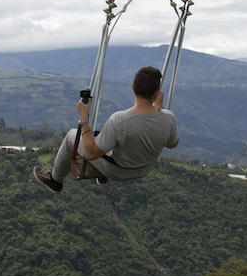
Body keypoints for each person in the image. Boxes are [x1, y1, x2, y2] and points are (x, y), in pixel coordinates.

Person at [33, 66, 179, 193]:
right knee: (104, 136)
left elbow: (90, 154)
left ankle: (54, 180)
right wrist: (160, 107)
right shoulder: (169, 118)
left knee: (73, 135)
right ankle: (101, 174)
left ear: (133, 87)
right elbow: (171, 143)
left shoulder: (120, 120)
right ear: (156, 94)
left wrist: (84, 116)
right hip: (145, 169)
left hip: (117, 170)